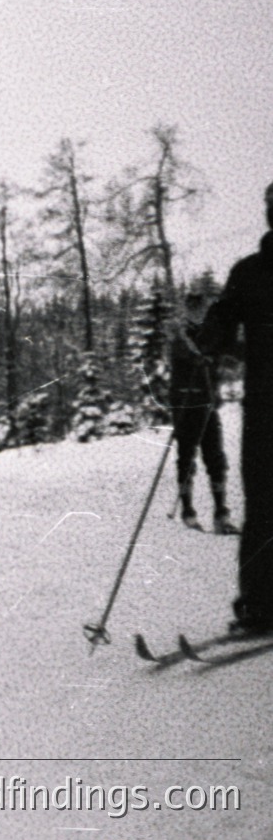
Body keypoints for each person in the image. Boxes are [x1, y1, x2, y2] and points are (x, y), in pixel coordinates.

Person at [196, 182, 273, 635]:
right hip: (264, 405)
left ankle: (262, 603)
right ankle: (261, 605)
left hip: (263, 403)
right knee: (264, 505)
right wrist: (212, 336)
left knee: (264, 504)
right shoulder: (249, 272)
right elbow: (224, 319)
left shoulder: (249, 271)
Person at [170, 291, 238, 534]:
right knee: (187, 458)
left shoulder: (211, 333)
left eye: (201, 308)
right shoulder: (180, 335)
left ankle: (221, 513)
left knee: (216, 458)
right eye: (193, 308)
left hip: (207, 404)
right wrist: (197, 359)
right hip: (186, 405)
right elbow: (182, 357)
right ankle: (188, 512)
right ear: (187, 309)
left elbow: (223, 356)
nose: (198, 312)